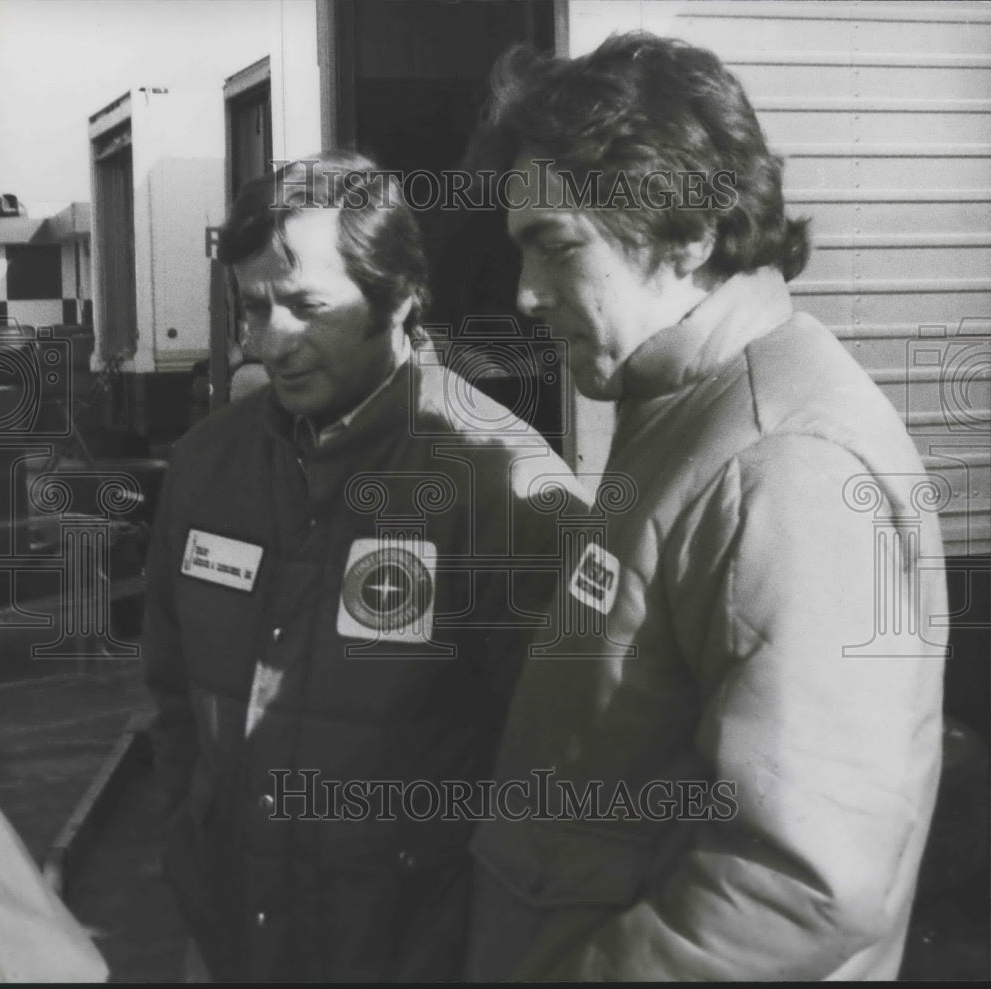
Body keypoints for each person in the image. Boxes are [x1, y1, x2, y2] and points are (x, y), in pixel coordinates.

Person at [464, 33, 948, 981]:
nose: (524, 295)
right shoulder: (686, 412)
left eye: (555, 246)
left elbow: (804, 881)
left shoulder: (784, 465)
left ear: (687, 232)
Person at [142, 150, 585, 981]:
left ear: (399, 297)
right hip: (230, 942)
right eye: (254, 307)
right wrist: (190, 853)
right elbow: (172, 701)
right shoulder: (204, 469)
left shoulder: (507, 488)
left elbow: (555, 771)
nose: (271, 341)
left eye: (307, 306)